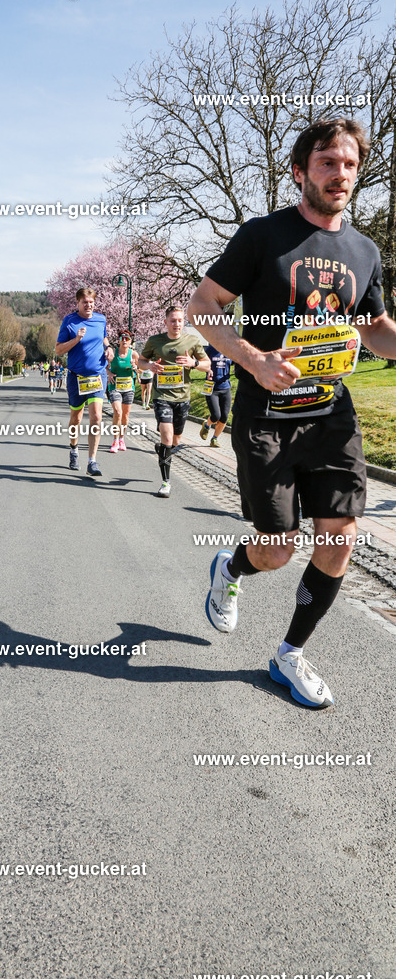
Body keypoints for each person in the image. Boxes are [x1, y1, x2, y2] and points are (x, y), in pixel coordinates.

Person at [188, 117, 396, 708]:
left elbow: (375, 327)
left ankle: (290, 655)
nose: (341, 175)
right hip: (266, 416)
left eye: (350, 165)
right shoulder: (262, 237)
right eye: (328, 162)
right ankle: (230, 569)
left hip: (332, 414)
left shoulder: (364, 250)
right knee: (277, 547)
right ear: (301, 171)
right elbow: (204, 305)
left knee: (341, 538)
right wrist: (253, 359)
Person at [137, 307, 210, 497]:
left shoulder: (192, 341)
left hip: (183, 398)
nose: (177, 324)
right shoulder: (155, 341)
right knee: (167, 437)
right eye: (173, 320)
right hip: (162, 397)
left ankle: (162, 448)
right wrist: (150, 366)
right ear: (165, 322)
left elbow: (207, 364)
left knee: (174, 440)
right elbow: (141, 361)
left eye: (179, 320)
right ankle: (166, 482)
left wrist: (193, 363)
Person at [55, 287, 114, 477]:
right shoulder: (70, 321)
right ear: (77, 303)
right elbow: (58, 350)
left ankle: (92, 461)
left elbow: (104, 338)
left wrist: (109, 348)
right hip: (76, 376)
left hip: (97, 375)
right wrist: (77, 339)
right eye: (85, 302)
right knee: (76, 418)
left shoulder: (101, 319)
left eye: (91, 302)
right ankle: (73, 449)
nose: (88, 305)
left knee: (97, 416)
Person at [107, 330, 139, 453]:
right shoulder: (112, 353)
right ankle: (115, 440)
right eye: (122, 338)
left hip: (128, 388)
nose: (124, 341)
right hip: (115, 386)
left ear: (130, 341)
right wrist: (109, 373)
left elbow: (139, 369)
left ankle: (121, 438)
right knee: (117, 412)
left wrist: (136, 368)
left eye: (127, 339)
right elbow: (102, 364)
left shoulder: (134, 354)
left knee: (125, 415)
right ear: (119, 340)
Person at [199, 343, 233, 447]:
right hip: (211, 387)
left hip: (225, 387)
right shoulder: (210, 350)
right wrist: (208, 370)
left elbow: (238, 363)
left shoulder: (230, 350)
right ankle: (207, 425)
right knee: (216, 415)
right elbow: (200, 364)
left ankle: (214, 439)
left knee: (224, 418)